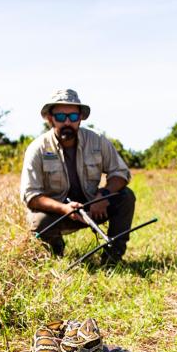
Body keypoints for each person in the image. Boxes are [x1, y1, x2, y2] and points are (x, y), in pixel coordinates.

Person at [20, 89, 136, 265]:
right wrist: (65, 209)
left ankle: (113, 257)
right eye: (60, 117)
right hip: (59, 212)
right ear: (50, 119)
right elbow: (31, 196)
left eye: (73, 117)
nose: (67, 122)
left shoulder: (97, 141)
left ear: (80, 118)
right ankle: (56, 253)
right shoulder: (37, 149)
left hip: (94, 207)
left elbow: (121, 173)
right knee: (38, 220)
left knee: (126, 196)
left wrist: (102, 196)